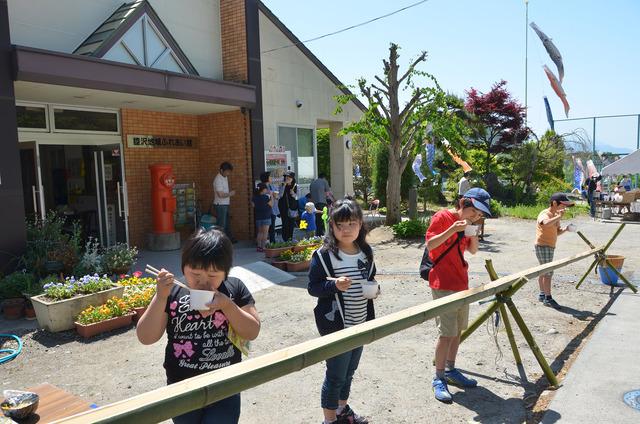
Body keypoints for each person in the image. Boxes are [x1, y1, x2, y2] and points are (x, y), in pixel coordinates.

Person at [136, 228, 260, 424]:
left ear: (226, 273)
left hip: (225, 385)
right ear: (183, 267)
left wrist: (227, 305)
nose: (203, 283)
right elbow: (146, 337)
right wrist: (160, 297)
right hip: (181, 388)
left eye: (212, 276)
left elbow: (252, 331)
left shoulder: (234, 289)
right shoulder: (173, 292)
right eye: (195, 274)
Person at [308, 198, 378, 424]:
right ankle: (329, 420)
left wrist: (374, 289)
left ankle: (341, 409)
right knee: (336, 374)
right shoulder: (324, 255)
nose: (347, 230)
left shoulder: (366, 252)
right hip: (336, 326)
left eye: (352, 224)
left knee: (349, 371)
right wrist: (334, 286)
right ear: (332, 226)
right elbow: (313, 287)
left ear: (361, 225)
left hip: (359, 321)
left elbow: (370, 278)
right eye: (341, 225)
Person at [426, 187, 491, 404]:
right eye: (474, 212)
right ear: (463, 204)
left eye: (480, 215)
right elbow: (430, 244)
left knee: (457, 331)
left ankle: (451, 369)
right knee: (445, 333)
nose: (476, 217)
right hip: (443, 283)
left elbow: (473, 252)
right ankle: (438, 377)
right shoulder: (443, 217)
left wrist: (473, 234)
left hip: (461, 282)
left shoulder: (468, 225)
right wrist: (453, 229)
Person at [535, 193, 574, 310]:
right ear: (555, 203)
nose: (564, 208)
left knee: (543, 271)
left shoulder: (556, 215)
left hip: (549, 246)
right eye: (563, 205)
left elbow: (557, 232)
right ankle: (548, 298)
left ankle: (542, 294)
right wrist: (558, 217)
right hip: (543, 246)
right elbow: (545, 223)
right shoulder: (545, 213)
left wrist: (566, 229)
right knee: (548, 272)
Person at [213, 162, 236, 240]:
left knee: (226, 223)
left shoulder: (224, 177)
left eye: (229, 172)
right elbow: (220, 194)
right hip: (220, 204)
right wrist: (230, 194)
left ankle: (226, 240)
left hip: (225, 204)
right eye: (227, 171)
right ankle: (220, 241)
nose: (228, 173)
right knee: (221, 225)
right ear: (221, 170)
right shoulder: (218, 179)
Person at [259, 172, 279, 244]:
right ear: (266, 178)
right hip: (265, 210)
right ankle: (262, 244)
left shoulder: (272, 186)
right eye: (270, 177)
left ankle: (272, 242)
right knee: (264, 228)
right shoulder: (261, 187)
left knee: (272, 227)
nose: (271, 178)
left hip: (273, 209)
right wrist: (270, 194)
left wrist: (276, 197)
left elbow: (277, 196)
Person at [277, 171, 298, 241]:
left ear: (292, 178)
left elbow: (298, 197)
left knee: (291, 224)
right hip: (283, 207)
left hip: (292, 207)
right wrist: (284, 185)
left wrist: (293, 194)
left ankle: (290, 238)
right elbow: (280, 195)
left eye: (289, 177)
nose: (287, 178)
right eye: (286, 177)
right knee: (285, 223)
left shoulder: (296, 186)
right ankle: (285, 239)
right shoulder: (282, 185)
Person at [252, 183, 273, 252]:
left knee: (260, 232)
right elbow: (271, 204)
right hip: (266, 216)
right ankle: (263, 247)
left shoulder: (254, 197)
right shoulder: (266, 197)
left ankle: (259, 247)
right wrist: (272, 196)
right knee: (265, 233)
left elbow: (253, 206)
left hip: (258, 217)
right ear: (263, 189)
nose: (267, 190)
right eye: (266, 189)